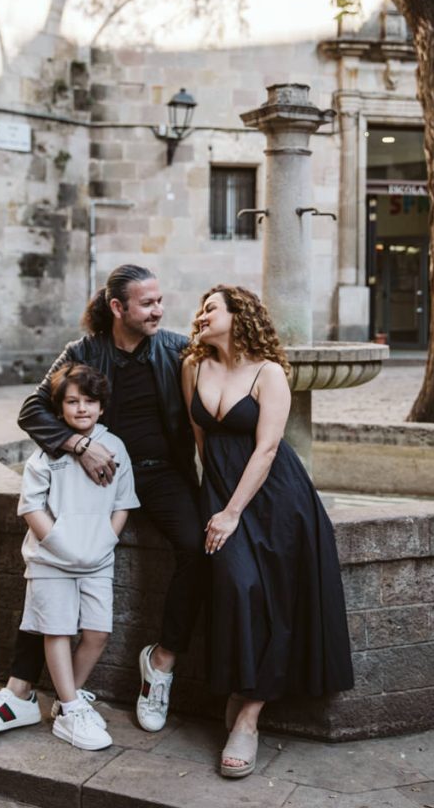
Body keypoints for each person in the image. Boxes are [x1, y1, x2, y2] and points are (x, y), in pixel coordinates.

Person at [0, 264, 205, 738]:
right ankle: (20, 693)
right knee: (52, 567)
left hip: (158, 477)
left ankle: (161, 664)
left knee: (197, 548)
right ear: (118, 308)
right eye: (147, 303)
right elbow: (33, 407)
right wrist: (79, 446)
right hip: (94, 475)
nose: (159, 310)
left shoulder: (176, 348)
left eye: (159, 301)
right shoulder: (85, 351)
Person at [180, 285, 354, 779]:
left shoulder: (268, 372)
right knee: (235, 584)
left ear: (239, 316)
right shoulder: (192, 366)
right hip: (220, 489)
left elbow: (267, 450)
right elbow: (202, 440)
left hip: (275, 498)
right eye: (201, 306)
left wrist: (232, 512)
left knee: (270, 592)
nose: (201, 314)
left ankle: (250, 717)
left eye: (211, 307)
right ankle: (239, 687)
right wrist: (211, 501)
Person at [19, 363, 138, 750]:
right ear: (59, 409)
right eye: (72, 401)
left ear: (102, 407)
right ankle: (71, 710)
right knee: (57, 630)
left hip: (98, 559)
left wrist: (106, 540)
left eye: (89, 401)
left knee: (97, 632)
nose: (82, 408)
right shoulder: (47, 450)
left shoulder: (116, 447)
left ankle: (68, 700)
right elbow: (30, 506)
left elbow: (123, 502)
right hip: (52, 560)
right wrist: (58, 543)